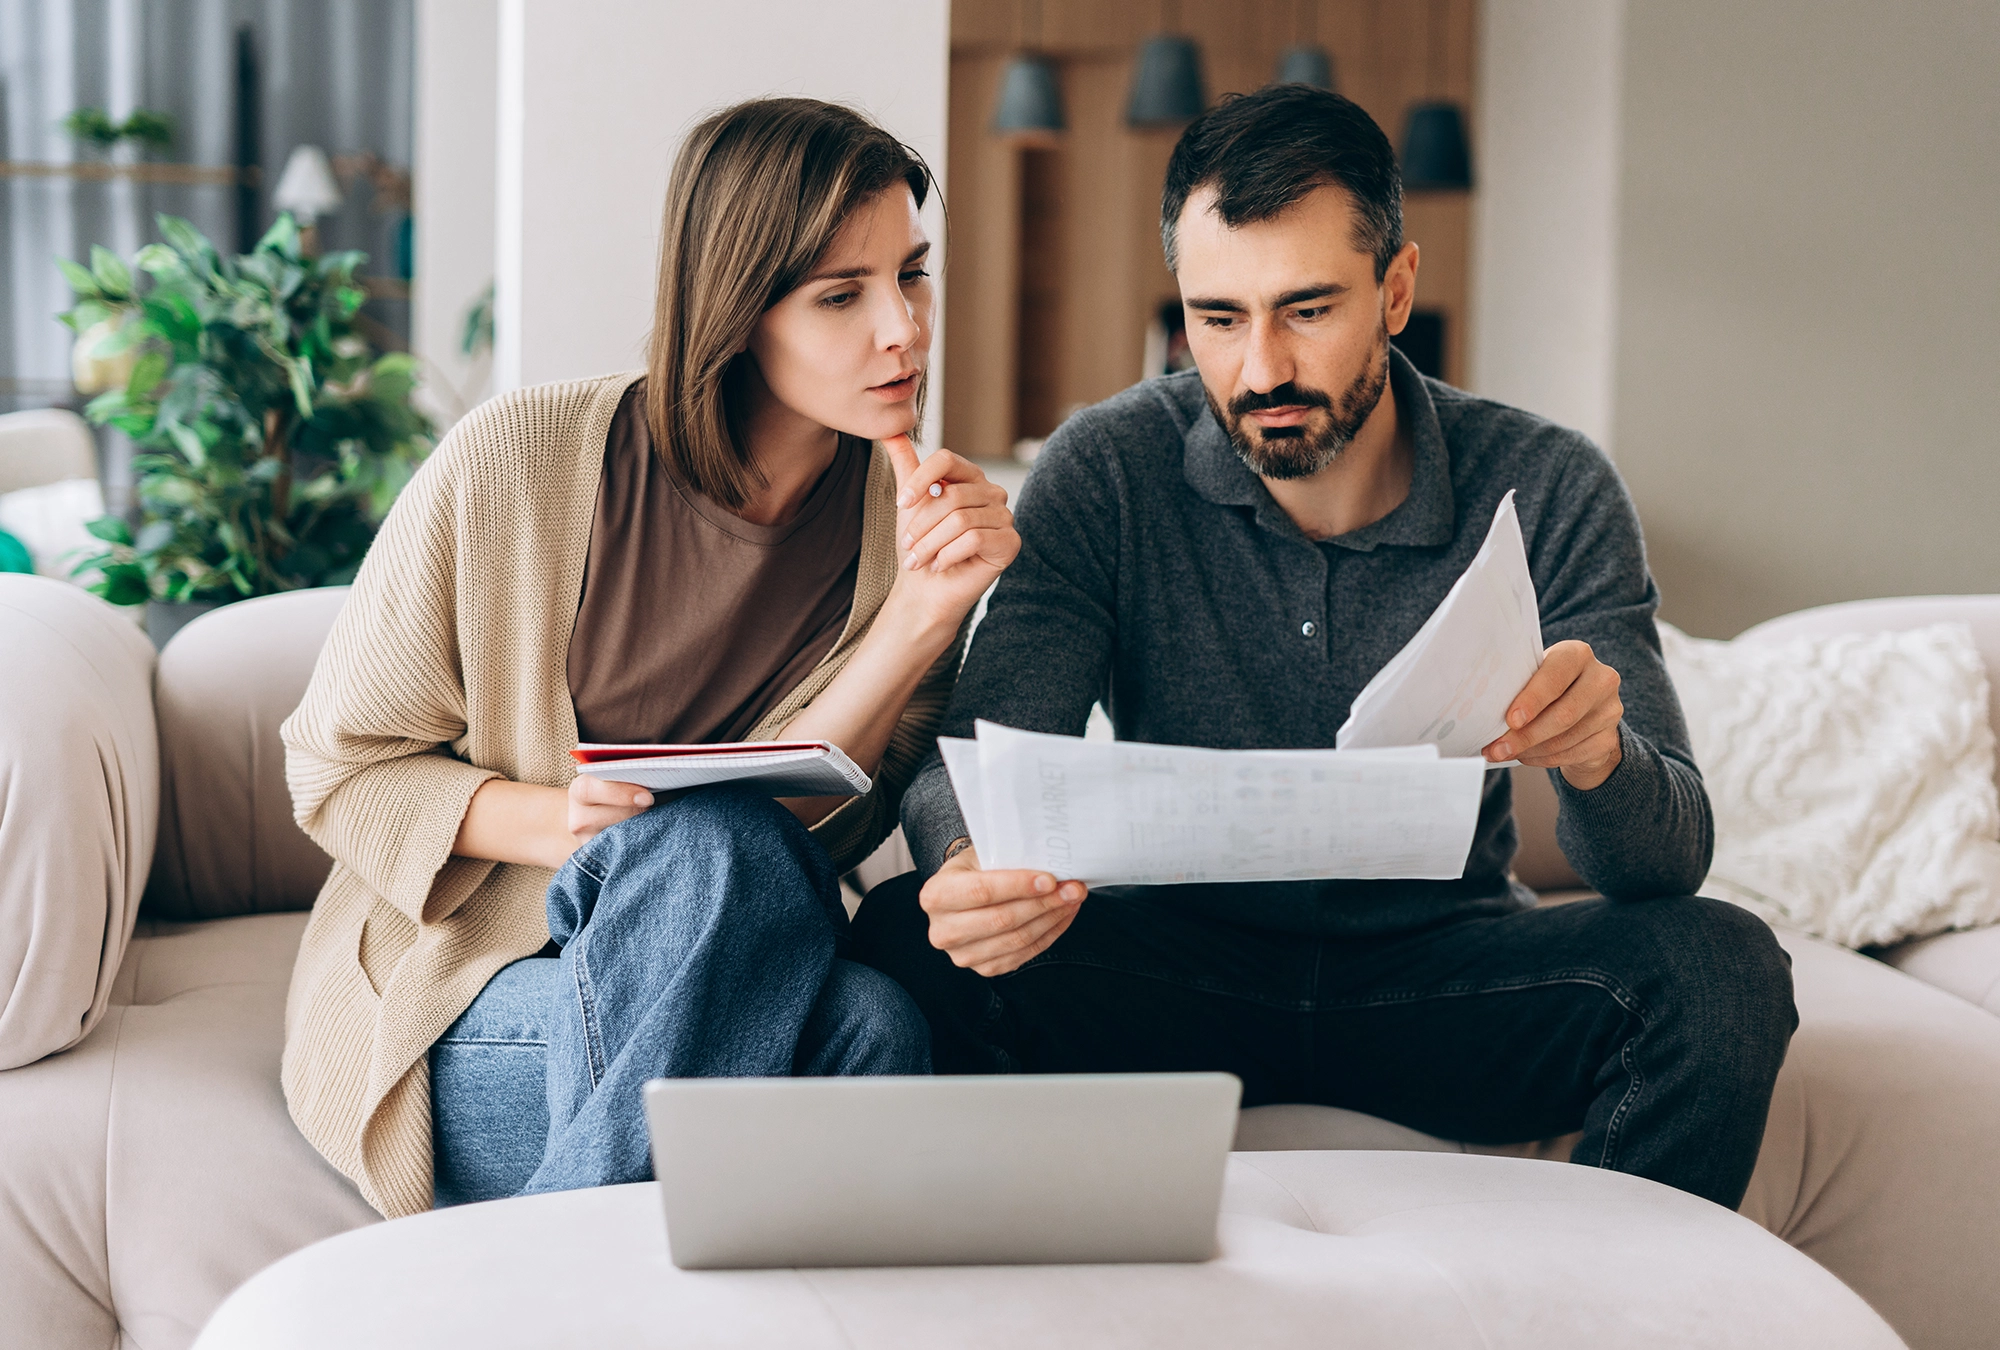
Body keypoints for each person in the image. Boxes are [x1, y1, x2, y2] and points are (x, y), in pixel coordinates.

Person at [854, 84, 1797, 1211]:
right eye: (1216, 317)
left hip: (1440, 979)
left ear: (1395, 288)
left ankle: (1607, 1309)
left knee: (1722, 969)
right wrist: (965, 865)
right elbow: (984, 748)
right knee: (902, 952)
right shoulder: (1105, 470)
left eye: (1306, 310)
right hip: (1172, 969)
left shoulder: (1548, 483)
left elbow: (1663, 863)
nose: (1258, 370)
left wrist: (1597, 757)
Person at [280, 97, 1019, 1219]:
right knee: (710, 847)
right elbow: (336, 770)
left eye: (910, 276)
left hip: (727, 975)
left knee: (877, 1021)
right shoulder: (515, 462)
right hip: (477, 998)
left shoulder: (902, 525)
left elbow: (834, 825)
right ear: (735, 311)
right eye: (841, 296)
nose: (903, 330)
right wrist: (566, 821)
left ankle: (567, 1285)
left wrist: (920, 617)